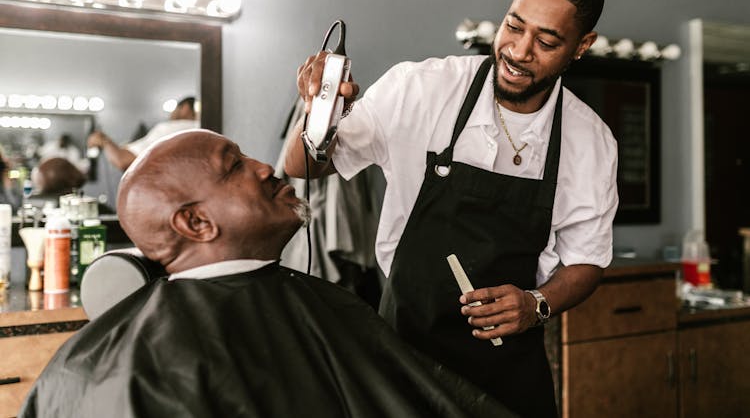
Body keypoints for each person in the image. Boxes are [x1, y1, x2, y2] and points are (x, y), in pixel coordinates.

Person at [286, 0, 618, 417]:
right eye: (513, 26)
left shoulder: (591, 141)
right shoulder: (421, 88)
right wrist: (315, 109)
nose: (519, 51)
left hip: (509, 373)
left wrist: (536, 304)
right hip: (404, 357)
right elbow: (301, 166)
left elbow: (587, 262)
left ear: (582, 46)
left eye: (545, 41)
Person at [19, 129, 513, 418]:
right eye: (233, 167)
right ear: (195, 222)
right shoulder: (127, 369)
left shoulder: (321, 302)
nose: (263, 167)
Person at [86, 95, 199, 171]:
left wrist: (103, 140)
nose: (171, 113)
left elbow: (122, 160)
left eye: (175, 108)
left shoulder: (171, 129)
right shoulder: (202, 131)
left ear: (185, 108)